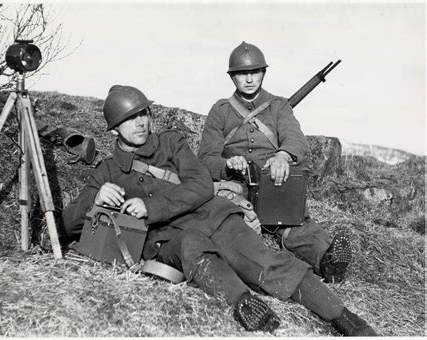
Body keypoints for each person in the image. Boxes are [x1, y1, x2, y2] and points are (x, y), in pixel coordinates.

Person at [62, 85, 377, 335]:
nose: (141, 122)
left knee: (268, 262)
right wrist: (96, 200)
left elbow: (200, 185)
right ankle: (243, 302)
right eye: (131, 119)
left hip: (214, 216)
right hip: (171, 239)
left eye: (144, 113)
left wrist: (150, 206)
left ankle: (344, 317)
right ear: (115, 129)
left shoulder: (171, 144)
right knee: (194, 250)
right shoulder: (107, 172)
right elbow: (67, 225)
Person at [198, 41, 350, 284]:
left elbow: (295, 139)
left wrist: (282, 156)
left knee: (295, 225)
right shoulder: (220, 110)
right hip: (236, 188)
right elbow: (205, 159)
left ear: (263, 73)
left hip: (273, 183)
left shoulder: (279, 106)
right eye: (241, 74)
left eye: (254, 72)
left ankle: (328, 260)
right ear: (232, 77)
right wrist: (226, 166)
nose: (249, 79)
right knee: (233, 227)